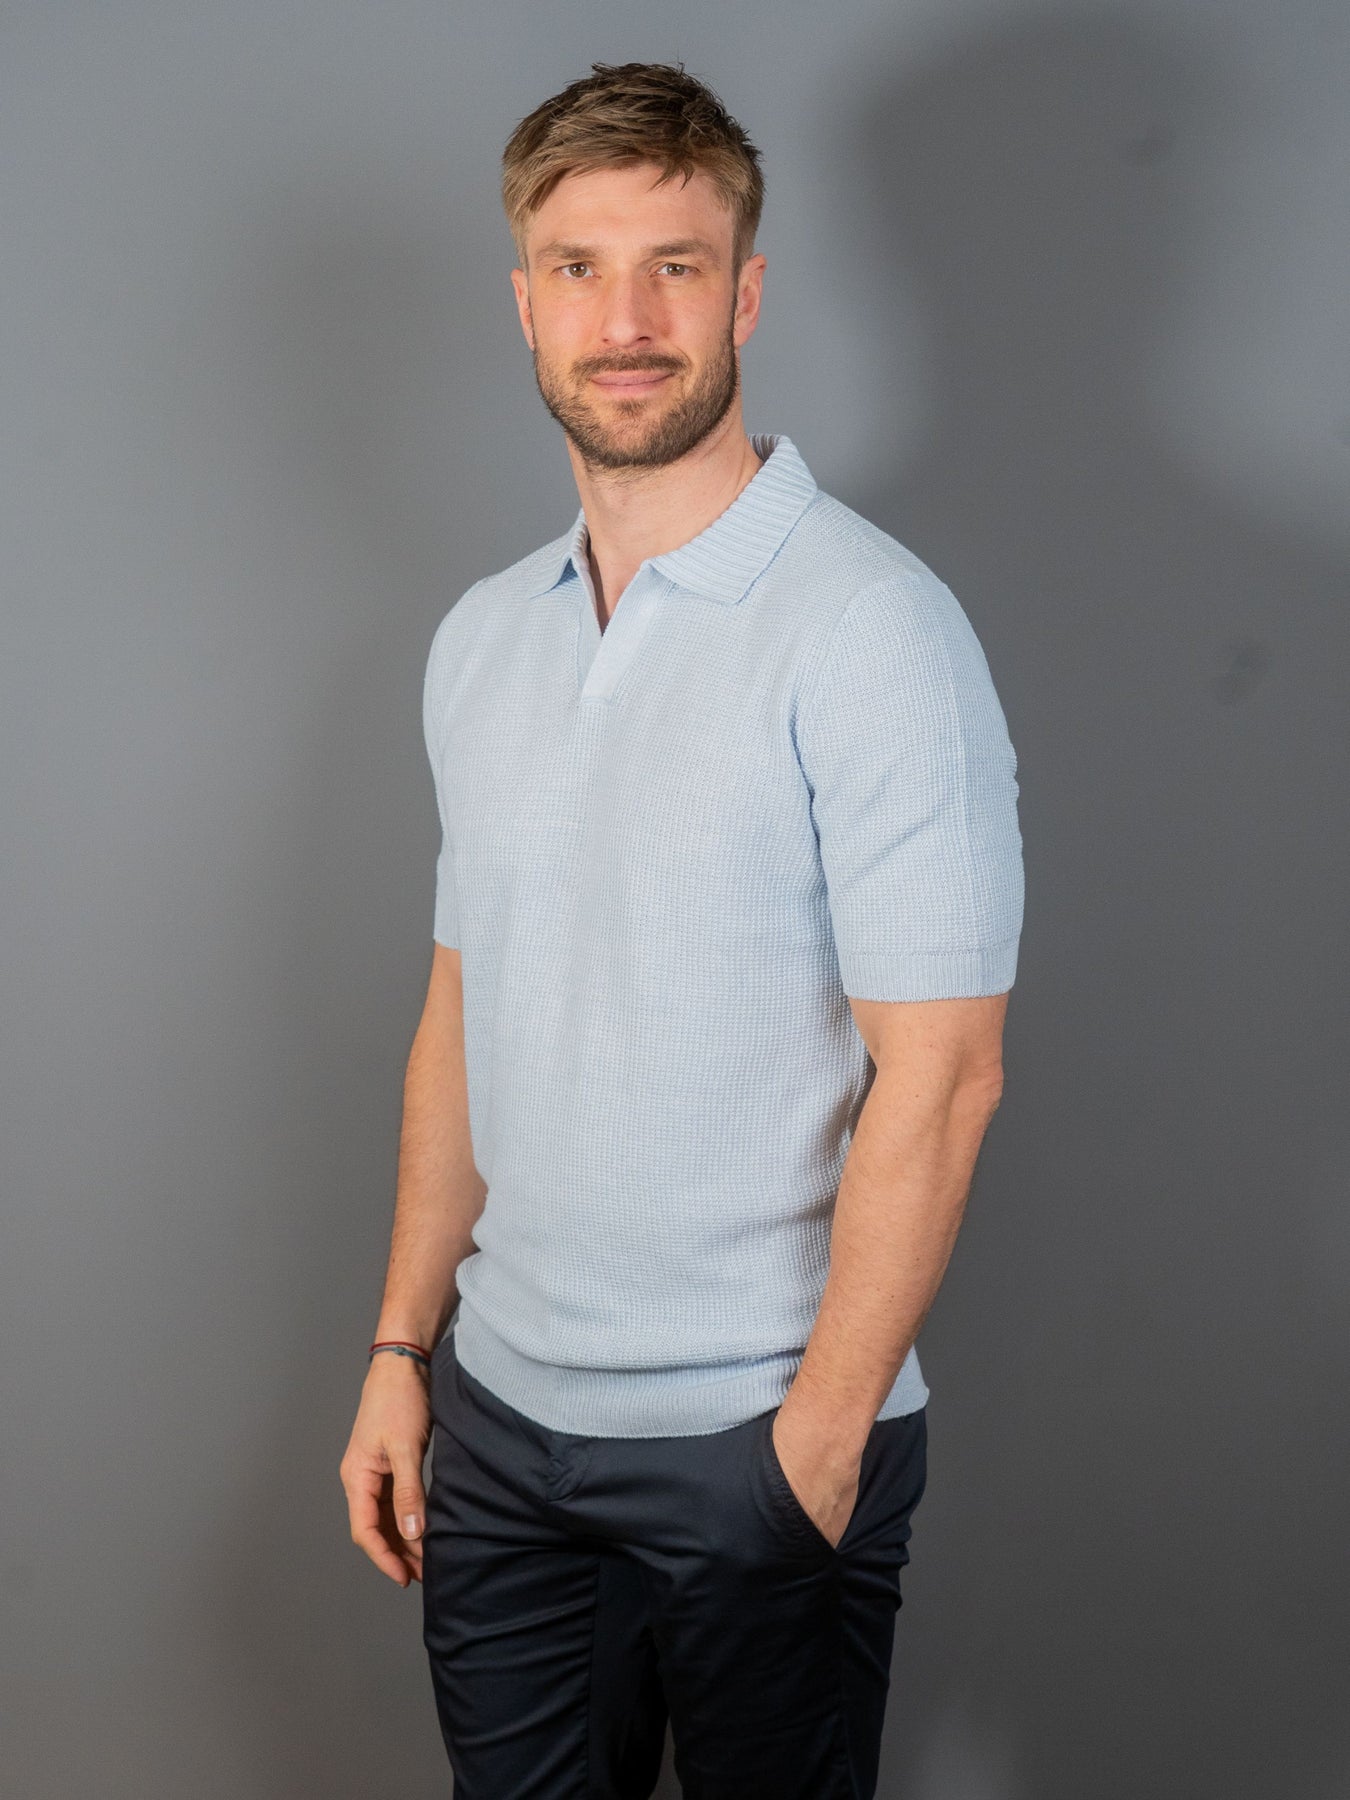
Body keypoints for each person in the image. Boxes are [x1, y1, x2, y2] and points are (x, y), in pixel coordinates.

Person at [339, 59, 1024, 1799]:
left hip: (752, 1441)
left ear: (747, 293)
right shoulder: (482, 637)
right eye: (579, 269)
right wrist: (403, 1350)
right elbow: (464, 1013)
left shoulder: (871, 627)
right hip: (500, 1431)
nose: (626, 321)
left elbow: (944, 1075)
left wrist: (813, 1446)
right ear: (525, 302)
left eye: (676, 267)